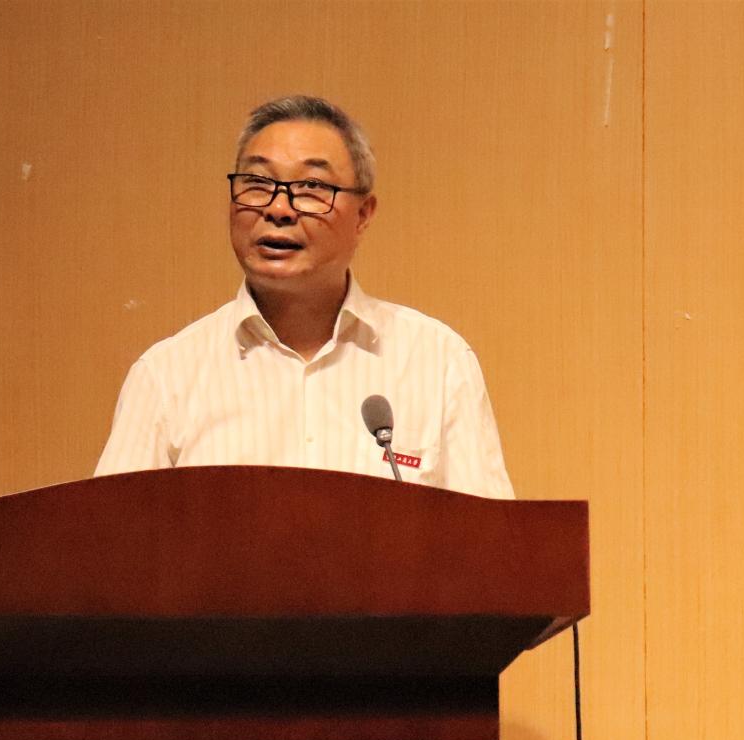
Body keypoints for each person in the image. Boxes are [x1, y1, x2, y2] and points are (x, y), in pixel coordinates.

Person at [95, 95, 513, 499]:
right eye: (257, 183)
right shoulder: (165, 377)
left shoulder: (437, 362)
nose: (279, 209)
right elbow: (108, 538)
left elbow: (489, 539)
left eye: (312, 186)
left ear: (363, 214)